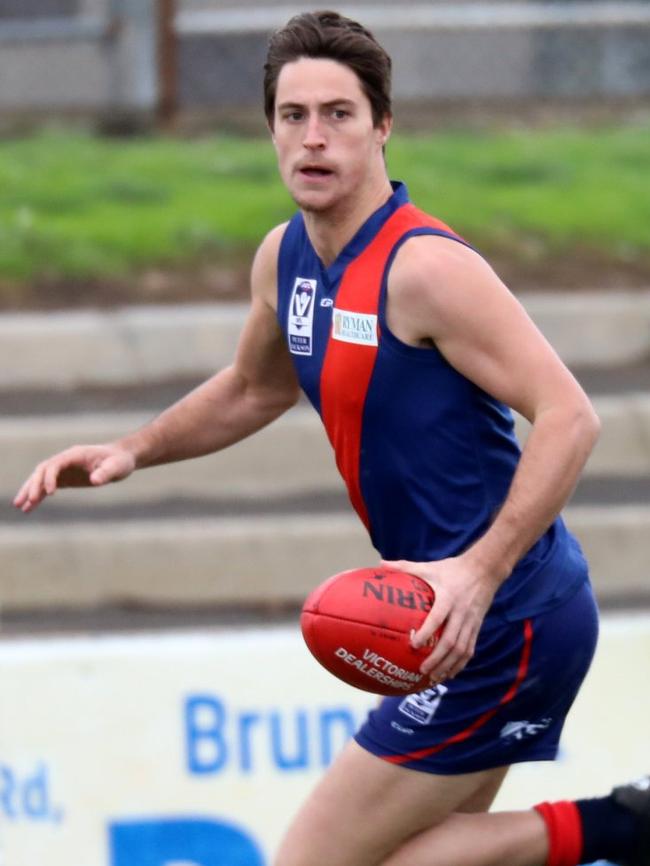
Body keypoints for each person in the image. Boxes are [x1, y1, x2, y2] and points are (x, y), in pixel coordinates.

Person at [14, 10, 649, 866]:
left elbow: (572, 415)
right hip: (445, 620)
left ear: (382, 125)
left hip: (503, 616)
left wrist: (477, 572)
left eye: (339, 115)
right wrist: (135, 448)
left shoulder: (425, 270)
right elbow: (255, 387)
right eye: (293, 115)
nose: (314, 138)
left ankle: (620, 826)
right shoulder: (285, 260)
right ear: (271, 129)